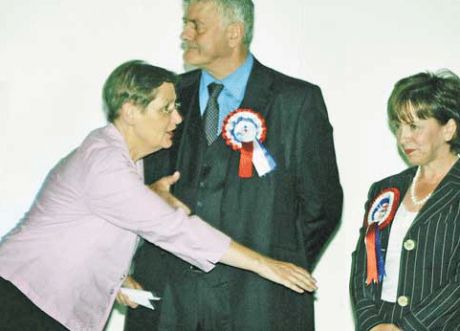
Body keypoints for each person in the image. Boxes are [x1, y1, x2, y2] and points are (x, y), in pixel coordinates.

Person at [0, 60, 317, 331]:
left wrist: (118, 277)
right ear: (131, 112)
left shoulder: (127, 161)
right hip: (22, 301)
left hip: (39, 304)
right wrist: (266, 265)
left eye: (176, 107)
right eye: (165, 109)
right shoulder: (104, 163)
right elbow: (175, 229)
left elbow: (97, 225)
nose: (177, 119)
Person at [126, 1, 343, 330]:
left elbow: (322, 207)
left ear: (234, 33)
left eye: (196, 25)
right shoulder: (165, 97)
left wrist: (270, 265)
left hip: (259, 308)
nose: (184, 34)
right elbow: (132, 190)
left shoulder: (296, 102)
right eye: (186, 23)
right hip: (167, 305)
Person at [350, 69, 460, 331]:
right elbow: (363, 263)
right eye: (398, 126)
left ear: (449, 129)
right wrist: (372, 322)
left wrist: (408, 327)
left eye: (414, 126)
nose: (402, 138)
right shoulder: (386, 189)